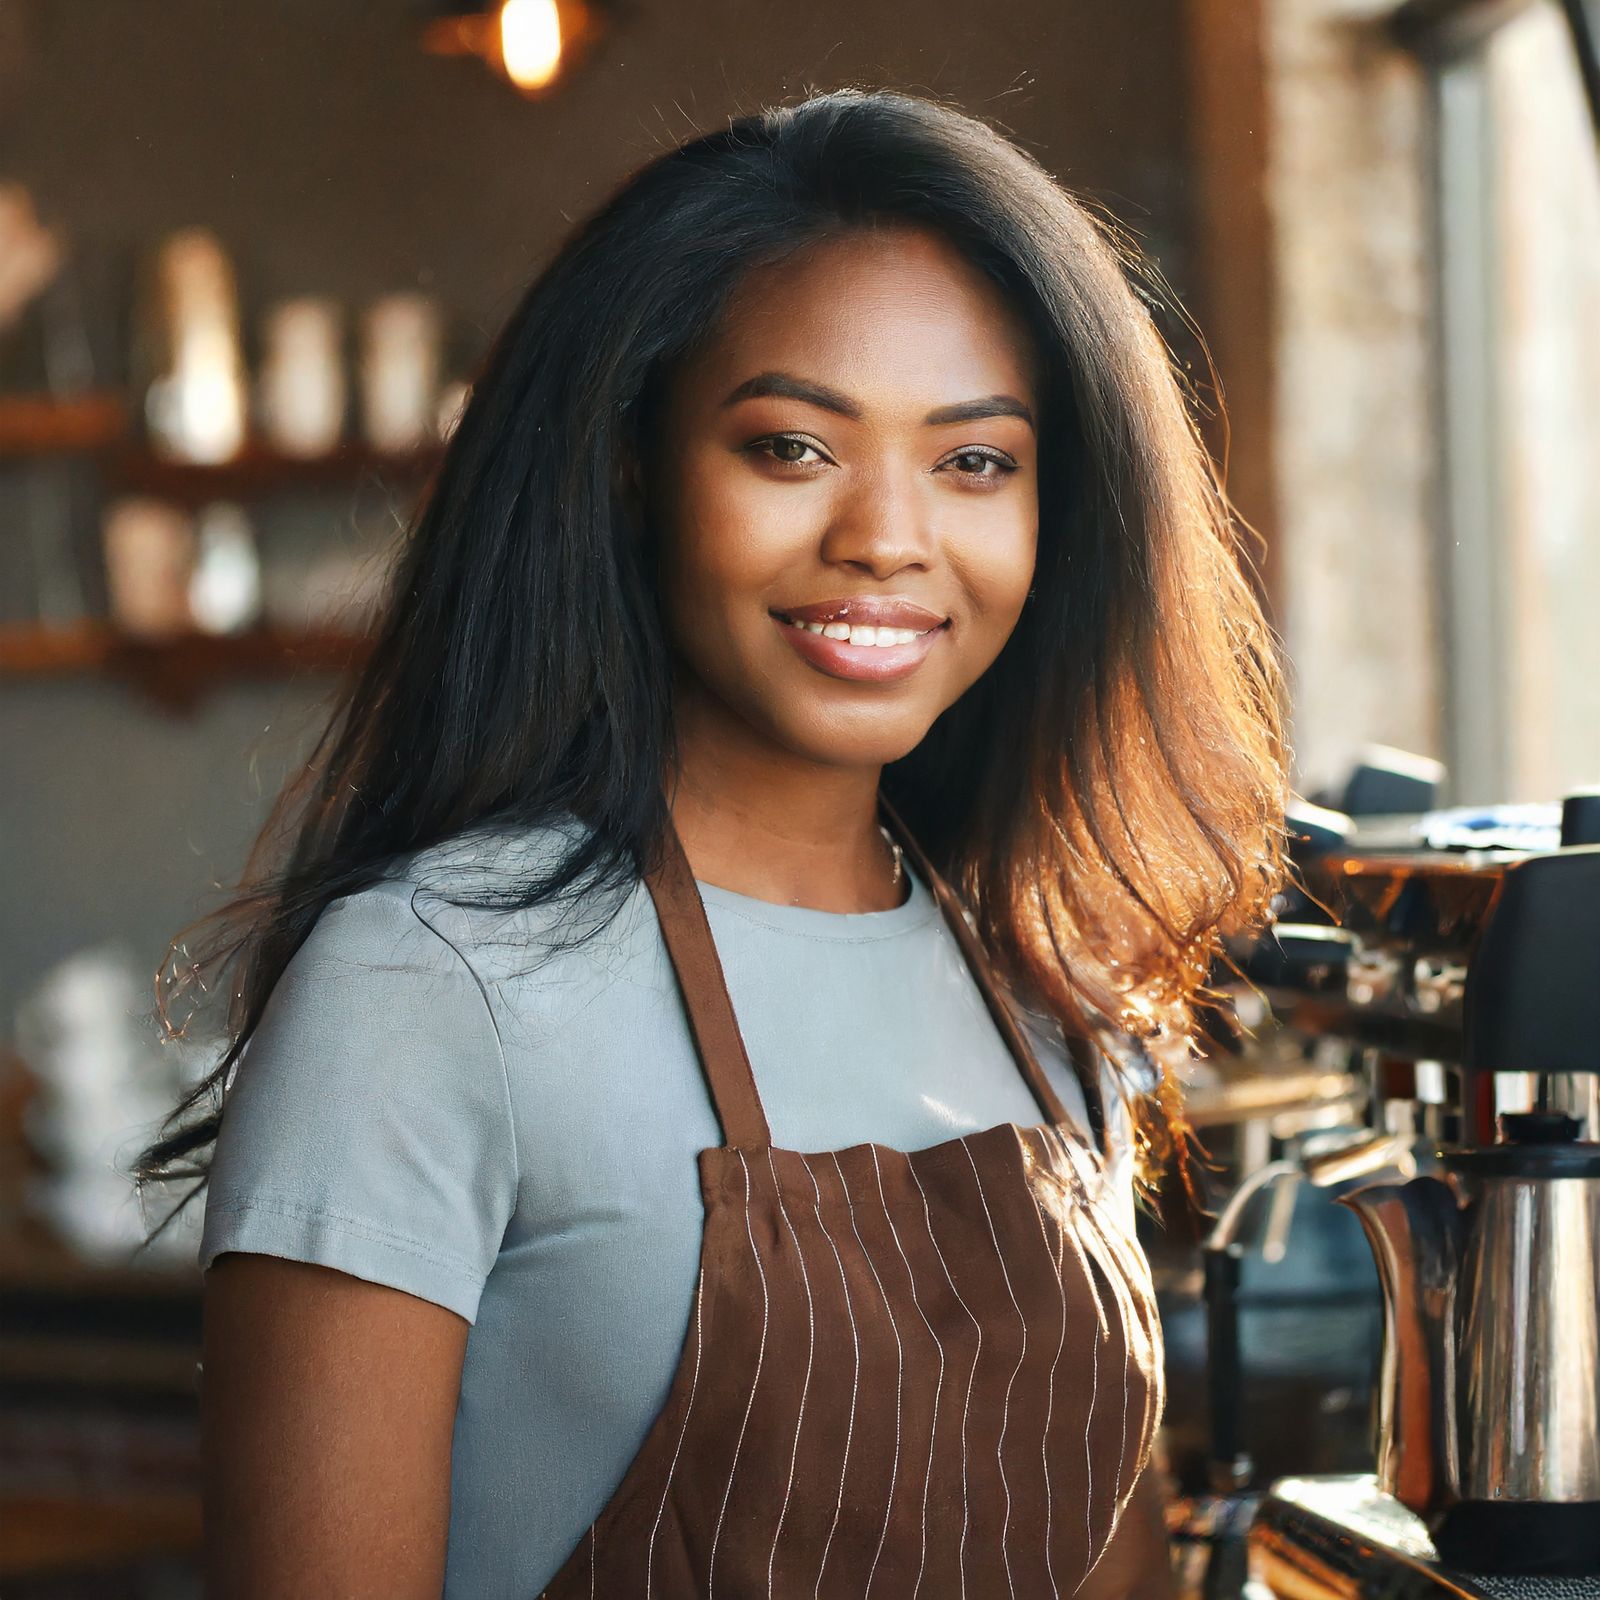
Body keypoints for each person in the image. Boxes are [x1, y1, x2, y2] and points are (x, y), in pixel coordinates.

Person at [134, 86, 1287, 1598]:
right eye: (792, 447)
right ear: (635, 469)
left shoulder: (1038, 994)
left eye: (975, 462)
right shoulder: (429, 984)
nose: (887, 537)